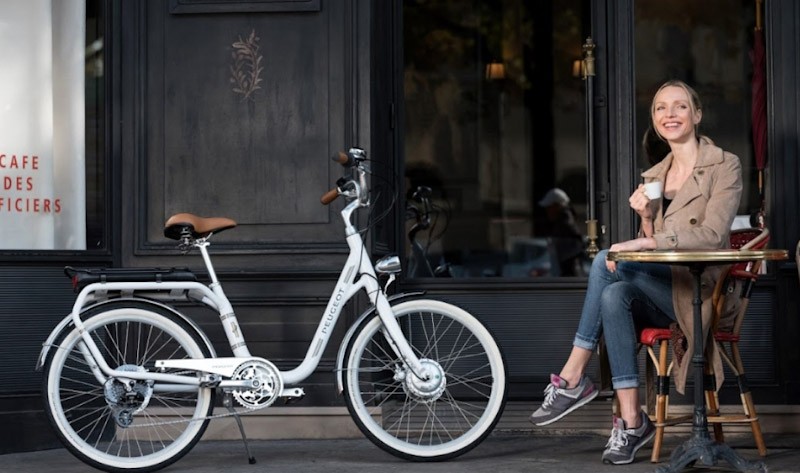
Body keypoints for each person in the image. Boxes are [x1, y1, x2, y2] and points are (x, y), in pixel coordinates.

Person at [529, 79, 743, 465]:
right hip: (664, 288)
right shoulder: (654, 177)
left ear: (696, 115)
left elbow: (711, 234)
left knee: (603, 262)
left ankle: (575, 376)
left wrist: (644, 242)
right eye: (661, 108)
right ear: (655, 120)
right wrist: (646, 220)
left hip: (700, 292)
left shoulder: (723, 165)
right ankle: (630, 421)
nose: (669, 114)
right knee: (613, 293)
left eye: (679, 107)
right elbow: (657, 249)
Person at [537, 188, 585, 276]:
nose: (548, 212)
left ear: (557, 206)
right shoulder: (563, 224)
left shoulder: (566, 225)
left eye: (549, 207)